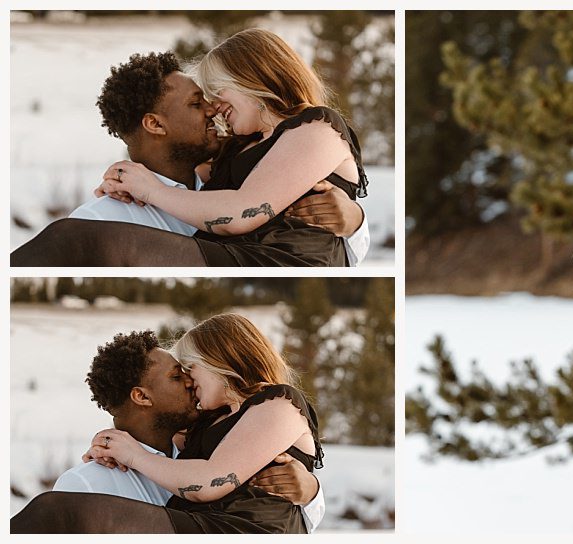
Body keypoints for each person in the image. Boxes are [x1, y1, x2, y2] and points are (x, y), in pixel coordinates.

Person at [12, 29, 369, 267]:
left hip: (281, 262)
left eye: (215, 92)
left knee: (77, 239)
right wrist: (123, 176)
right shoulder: (237, 149)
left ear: (252, 81)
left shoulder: (316, 126)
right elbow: (178, 173)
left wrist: (356, 220)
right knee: (73, 237)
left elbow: (243, 211)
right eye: (202, 100)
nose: (214, 107)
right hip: (240, 256)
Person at [10, 315, 325, 533]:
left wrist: (311, 491)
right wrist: (110, 442)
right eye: (179, 375)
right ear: (141, 396)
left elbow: (212, 478)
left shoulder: (279, 403)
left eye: (189, 369)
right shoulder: (90, 483)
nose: (189, 381)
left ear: (222, 361)